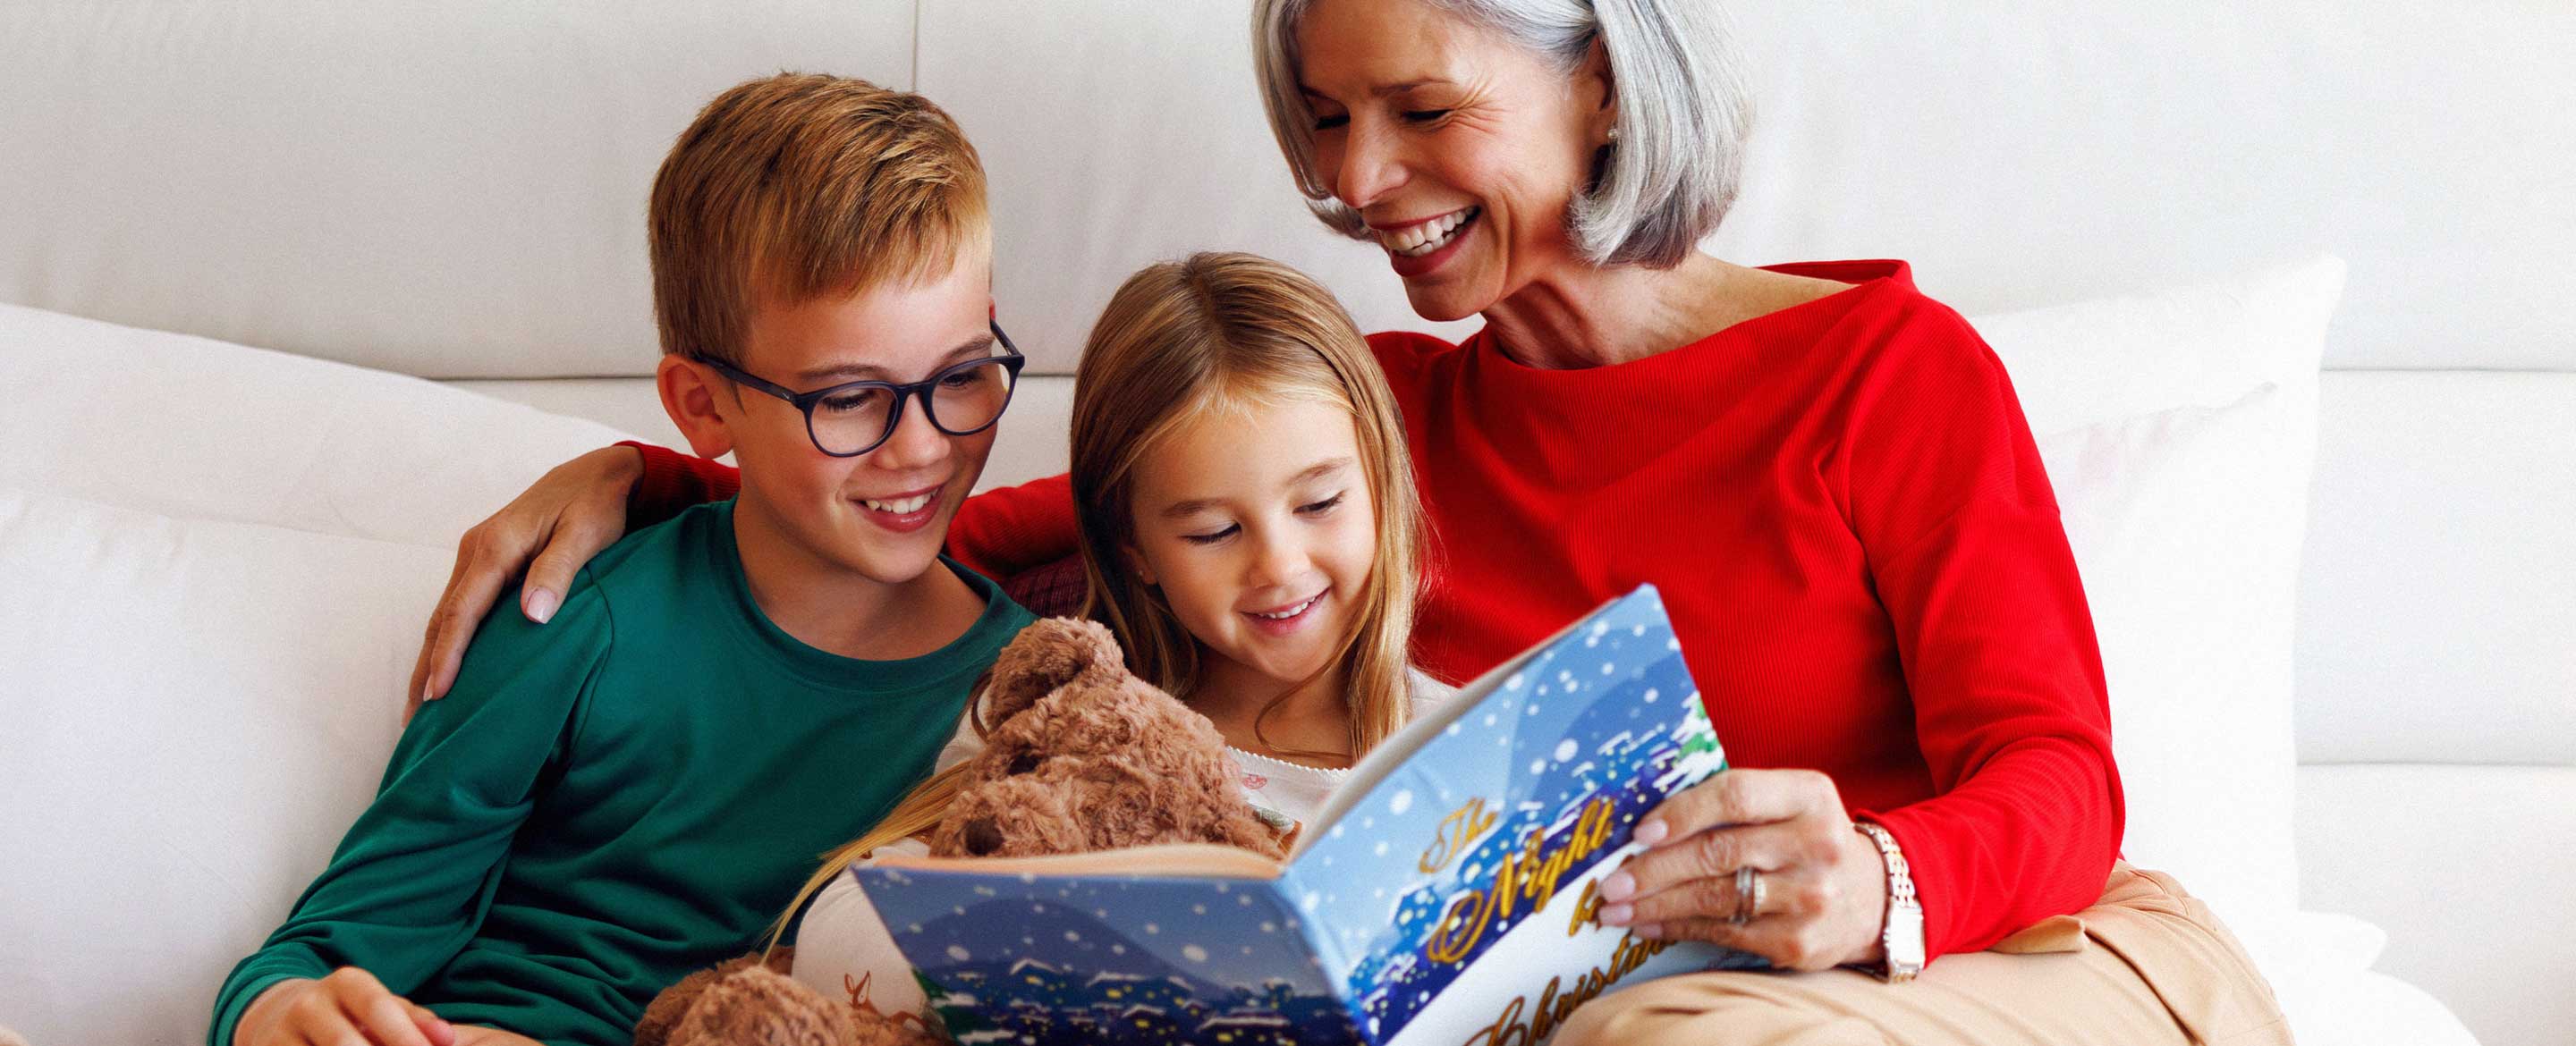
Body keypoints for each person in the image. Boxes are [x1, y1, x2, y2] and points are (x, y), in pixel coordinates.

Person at [413, 0, 2289, 1042]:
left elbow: (2057, 775)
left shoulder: (1893, 372)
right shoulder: (1370, 415)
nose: (1353, 181)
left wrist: (1882, 880)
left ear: (1605, 80)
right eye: (1321, 116)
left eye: (1418, 110)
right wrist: (678, 469)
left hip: (1964, 968)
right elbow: (966, 523)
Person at [210, 73, 1037, 1046]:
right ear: (701, 407)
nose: (919, 447)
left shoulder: (1026, 701)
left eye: (961, 375)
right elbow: (320, 951)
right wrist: (289, 1017)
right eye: (848, 398)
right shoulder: (584, 618)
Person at [778, 251, 1454, 1003]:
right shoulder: (1067, 719)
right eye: (1213, 532)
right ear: (1136, 549)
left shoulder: (1455, 745)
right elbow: (837, 939)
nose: (1280, 567)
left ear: (1380, 485)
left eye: (1320, 503)